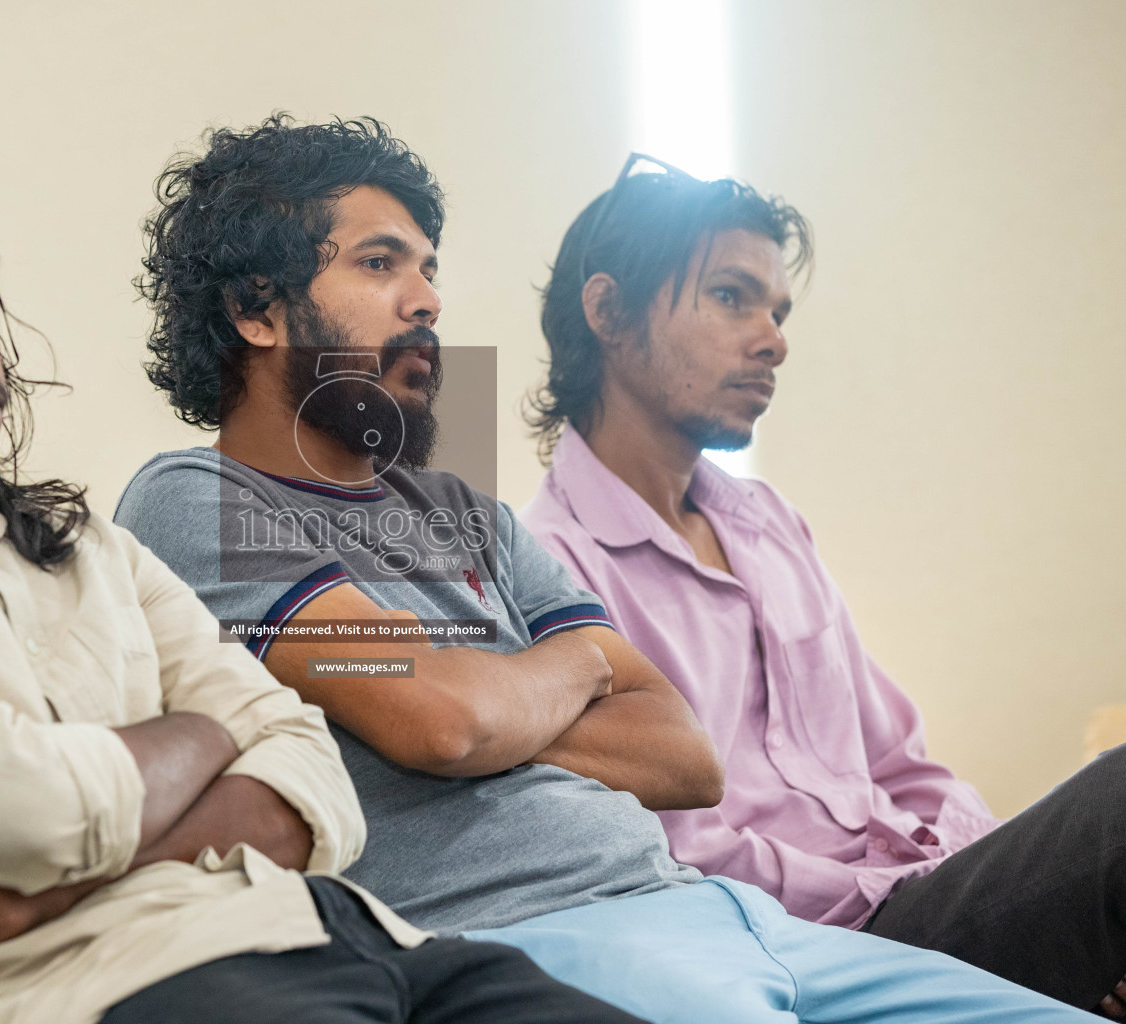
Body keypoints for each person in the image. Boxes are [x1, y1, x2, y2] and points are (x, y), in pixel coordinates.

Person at [114, 114, 1097, 1023]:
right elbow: (445, 720)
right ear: (256, 309)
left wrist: (480, 700)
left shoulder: (470, 517)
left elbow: (682, 754)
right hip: (546, 937)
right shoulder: (199, 500)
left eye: (429, 268)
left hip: (721, 910)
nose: (427, 300)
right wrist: (561, 673)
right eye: (380, 264)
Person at [0, 140, 648, 1024]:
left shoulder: (72, 539)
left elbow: (318, 776)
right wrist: (209, 731)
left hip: (371, 941)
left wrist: (92, 855)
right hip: (108, 990)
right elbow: (37, 811)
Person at [518, 153, 1126, 1015]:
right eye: (731, 297)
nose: (773, 339)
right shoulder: (550, 569)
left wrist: (982, 871)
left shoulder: (769, 525)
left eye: (778, 310)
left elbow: (904, 764)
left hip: (919, 895)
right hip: (821, 941)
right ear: (608, 312)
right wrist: (908, 885)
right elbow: (675, 854)